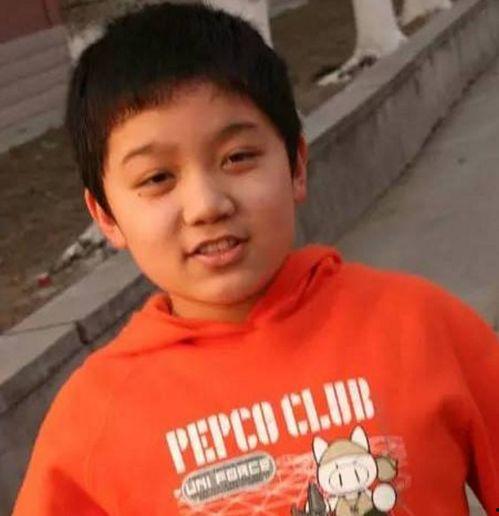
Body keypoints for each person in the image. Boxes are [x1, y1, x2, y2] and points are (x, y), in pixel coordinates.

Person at [13, 2, 498, 515]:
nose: (207, 205)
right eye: (157, 178)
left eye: (238, 158)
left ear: (296, 166)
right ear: (106, 215)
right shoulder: (92, 420)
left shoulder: (421, 327)